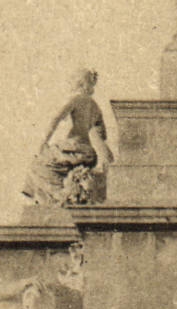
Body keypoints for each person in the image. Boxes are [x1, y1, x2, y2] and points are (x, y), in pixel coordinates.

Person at [22, 67, 114, 206]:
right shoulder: (95, 107)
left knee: (36, 166)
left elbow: (55, 118)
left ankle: (59, 195)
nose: (69, 85)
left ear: (80, 84)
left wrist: (43, 142)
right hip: (88, 152)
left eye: (71, 82)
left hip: (72, 148)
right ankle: (62, 194)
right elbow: (101, 137)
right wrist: (107, 160)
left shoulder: (75, 99)